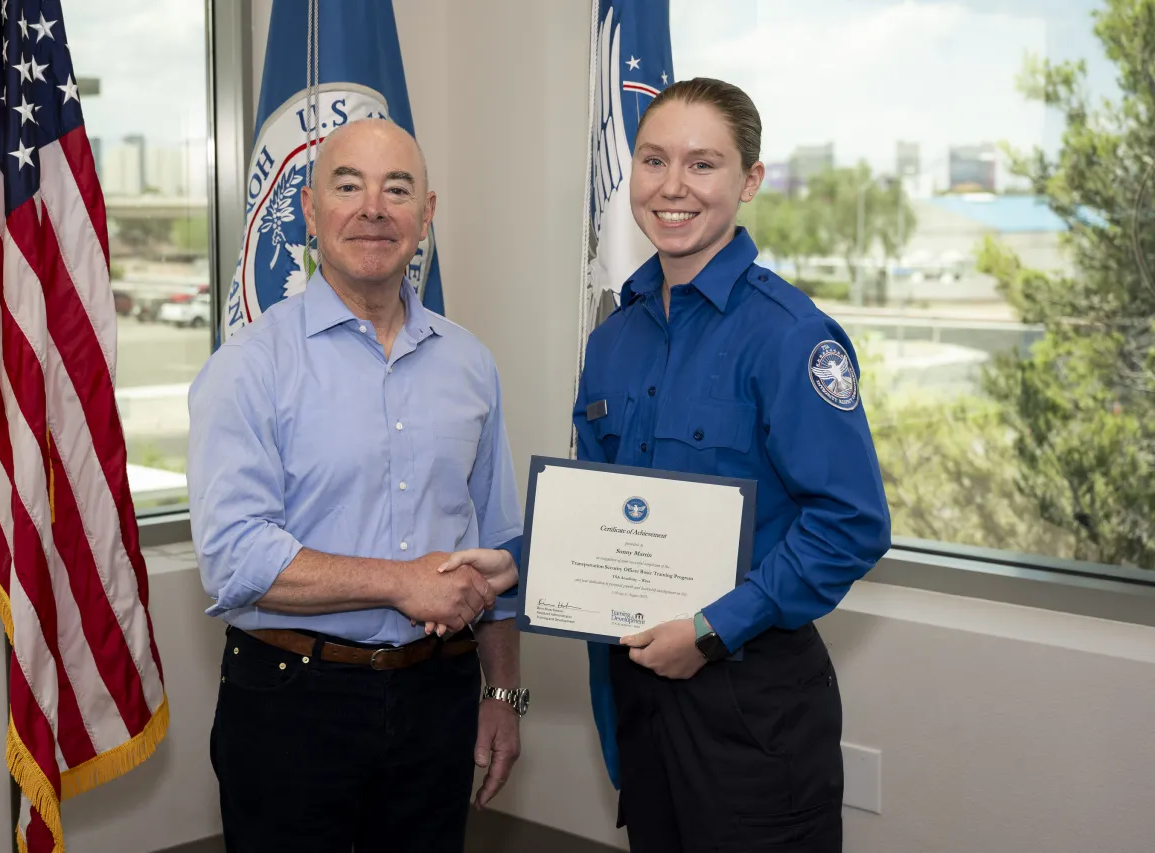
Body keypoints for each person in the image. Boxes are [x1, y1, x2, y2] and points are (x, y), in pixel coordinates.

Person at [186, 117, 528, 853]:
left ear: (426, 213)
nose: (373, 208)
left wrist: (502, 695)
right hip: (292, 701)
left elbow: (497, 545)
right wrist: (402, 582)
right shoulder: (250, 366)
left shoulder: (470, 363)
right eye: (348, 186)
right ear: (310, 212)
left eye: (396, 188)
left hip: (440, 695)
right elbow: (236, 559)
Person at [572, 78, 891, 851]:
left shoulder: (789, 336)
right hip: (642, 698)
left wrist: (714, 629)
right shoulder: (615, 337)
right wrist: (511, 566)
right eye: (653, 160)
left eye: (702, 163)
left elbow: (851, 524)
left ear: (748, 180)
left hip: (754, 704)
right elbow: (600, 508)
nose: (672, 186)